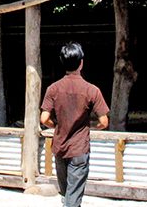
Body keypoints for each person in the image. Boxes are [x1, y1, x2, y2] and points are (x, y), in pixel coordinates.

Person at [40, 42, 110, 207]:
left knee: (66, 193)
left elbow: (44, 119)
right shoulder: (92, 90)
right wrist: (90, 127)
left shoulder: (53, 89)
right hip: (79, 148)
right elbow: (104, 121)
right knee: (73, 196)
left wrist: (56, 126)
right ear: (81, 63)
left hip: (59, 148)